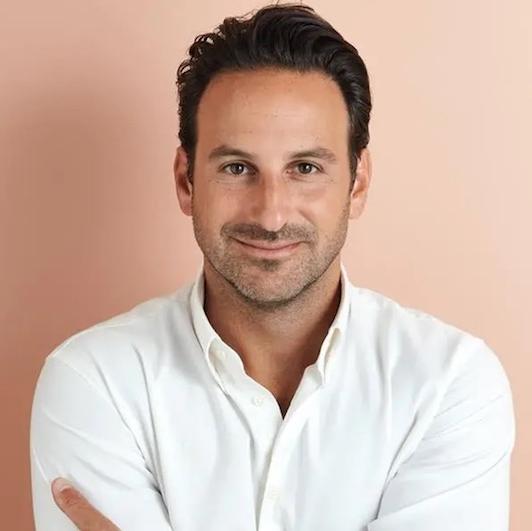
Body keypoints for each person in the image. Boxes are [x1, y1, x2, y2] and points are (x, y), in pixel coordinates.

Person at [30, 3, 516, 530]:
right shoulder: (96, 382)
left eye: (305, 167)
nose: (271, 214)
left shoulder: (447, 384)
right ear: (186, 181)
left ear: (357, 184)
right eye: (237, 168)